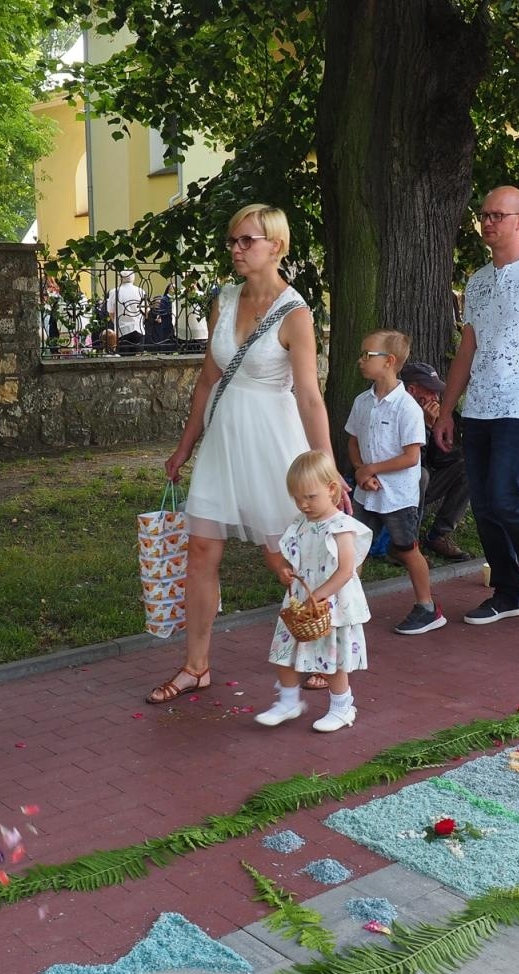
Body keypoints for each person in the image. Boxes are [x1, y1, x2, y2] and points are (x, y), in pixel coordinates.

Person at [150, 204, 333, 703]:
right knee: (201, 551)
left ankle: (321, 654)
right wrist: (185, 446)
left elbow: (310, 396)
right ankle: (196, 666)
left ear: (275, 245)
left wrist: (327, 466)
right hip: (224, 442)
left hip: (273, 443)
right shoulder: (223, 301)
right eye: (233, 240)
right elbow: (208, 380)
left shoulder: (295, 313)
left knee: (286, 558)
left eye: (246, 240)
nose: (236, 248)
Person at [434, 186, 519, 625]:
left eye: (498, 215)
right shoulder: (476, 281)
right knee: (484, 502)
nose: (488, 222)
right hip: (478, 406)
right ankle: (507, 591)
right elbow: (467, 350)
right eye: (484, 214)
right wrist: (445, 409)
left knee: (504, 495)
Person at [257, 451, 371, 732]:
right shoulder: (301, 522)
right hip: (301, 601)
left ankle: (342, 707)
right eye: (297, 498)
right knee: (283, 650)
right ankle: (288, 701)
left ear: (331, 489)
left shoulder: (341, 527)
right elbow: (295, 556)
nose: (303, 504)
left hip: (330, 603)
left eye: (310, 497)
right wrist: (285, 568)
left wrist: (318, 595)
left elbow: (346, 570)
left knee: (331, 658)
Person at [345, 329, 442, 635]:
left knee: (406, 548)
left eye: (367, 355)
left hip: (398, 496)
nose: (360, 360)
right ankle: (347, 606)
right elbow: (353, 440)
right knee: (354, 547)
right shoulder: (362, 402)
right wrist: (361, 470)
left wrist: (370, 469)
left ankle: (427, 607)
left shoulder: (407, 408)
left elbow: (411, 457)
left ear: (389, 361)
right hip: (366, 493)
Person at [399, 360, 471, 561]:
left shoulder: (433, 413)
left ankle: (438, 535)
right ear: (412, 390)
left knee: (468, 466)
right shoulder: (397, 410)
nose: (436, 398)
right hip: (395, 486)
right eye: (430, 392)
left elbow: (442, 461)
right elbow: (412, 466)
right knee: (420, 476)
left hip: (424, 484)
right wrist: (426, 428)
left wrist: (438, 431)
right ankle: (406, 544)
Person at [105, 268, 148, 351]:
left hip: (121, 329)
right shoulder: (140, 291)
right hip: (138, 327)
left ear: (121, 278)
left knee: (123, 356)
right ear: (133, 278)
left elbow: (111, 312)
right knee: (137, 358)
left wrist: (116, 322)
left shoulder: (114, 292)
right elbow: (146, 311)